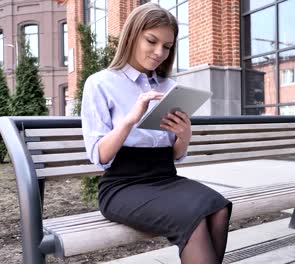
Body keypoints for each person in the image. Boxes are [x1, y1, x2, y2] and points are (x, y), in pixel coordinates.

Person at [81, 3, 232, 264]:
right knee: (193, 218)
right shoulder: (101, 83)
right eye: (152, 41)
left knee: (219, 207)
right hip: (123, 185)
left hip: (165, 176)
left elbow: (174, 155)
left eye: (167, 46)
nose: (159, 52)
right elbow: (99, 156)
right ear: (132, 35)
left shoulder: (169, 86)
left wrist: (184, 135)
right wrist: (130, 120)